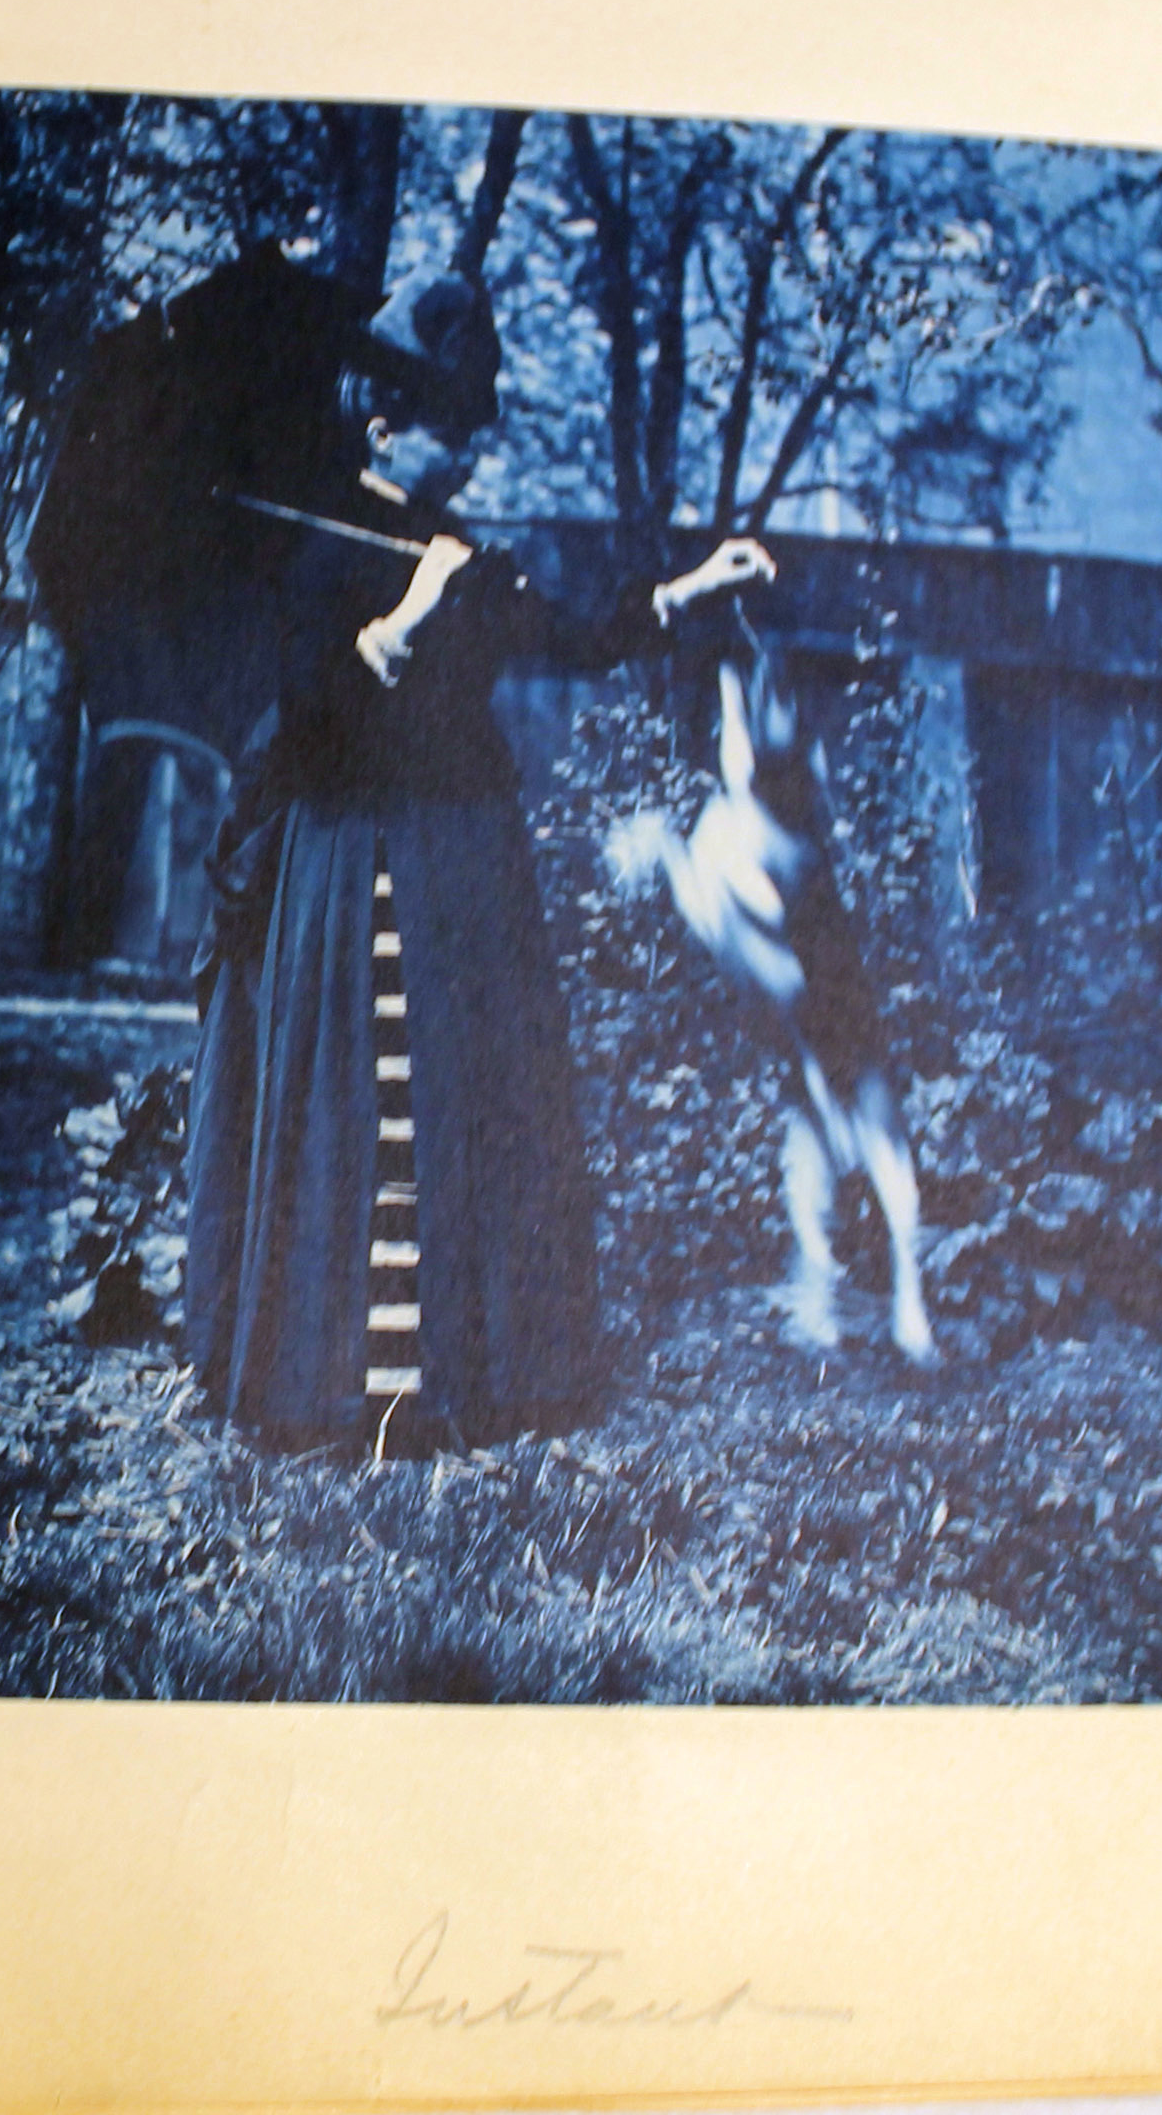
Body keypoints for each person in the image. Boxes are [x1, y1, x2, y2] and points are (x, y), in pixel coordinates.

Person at [184, 270, 773, 1453]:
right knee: (365, 1097)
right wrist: (399, 620)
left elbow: (578, 638)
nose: (462, 449)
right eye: (442, 426)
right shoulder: (316, 550)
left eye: (468, 427)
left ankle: (471, 1374)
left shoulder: (466, 551)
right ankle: (335, 1385)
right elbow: (300, 713)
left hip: (466, 865)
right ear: (382, 421)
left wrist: (689, 590)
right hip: (351, 865)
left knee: (470, 1098)